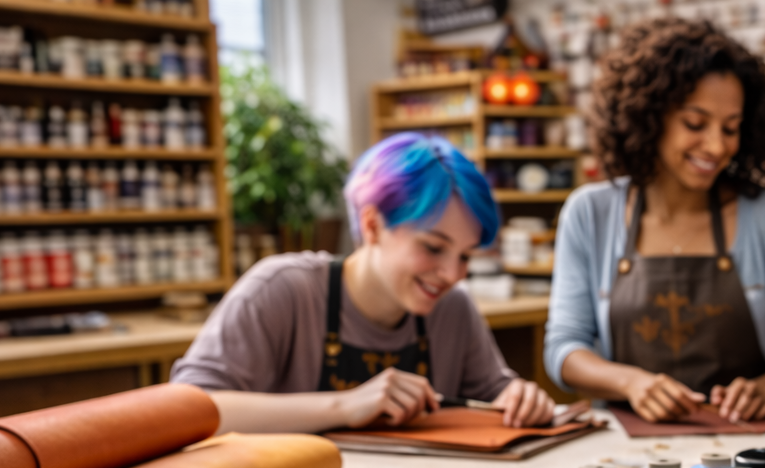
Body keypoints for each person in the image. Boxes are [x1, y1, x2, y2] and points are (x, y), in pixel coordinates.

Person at [172, 133, 554, 432]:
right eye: (434, 248)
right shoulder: (283, 290)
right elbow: (188, 408)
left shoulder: (453, 307)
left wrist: (518, 397)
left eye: (466, 256)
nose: (453, 275)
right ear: (372, 225)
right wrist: (346, 405)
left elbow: (493, 394)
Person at [544, 18, 765, 423]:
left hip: (750, 445)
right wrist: (630, 383)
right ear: (649, 116)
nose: (716, 145)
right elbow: (563, 349)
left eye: (731, 129)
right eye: (695, 124)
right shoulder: (590, 214)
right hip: (628, 449)